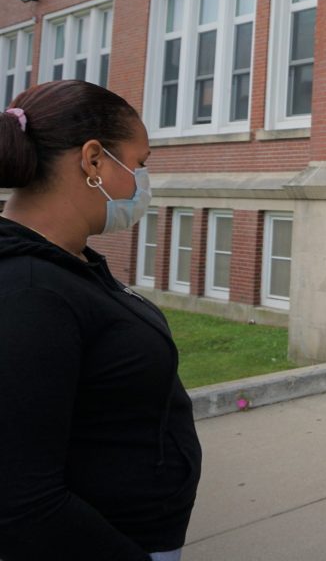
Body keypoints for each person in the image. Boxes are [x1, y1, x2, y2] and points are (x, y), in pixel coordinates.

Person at [0, 81, 202, 561]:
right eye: (140, 163)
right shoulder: (30, 292)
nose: (142, 180)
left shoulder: (68, 264)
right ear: (93, 161)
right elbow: (22, 503)